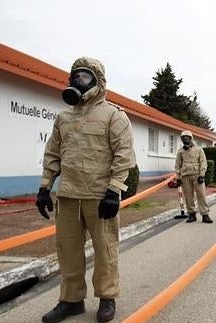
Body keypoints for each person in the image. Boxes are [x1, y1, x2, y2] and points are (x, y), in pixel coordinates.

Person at [35, 57, 136, 323]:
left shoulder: (113, 115)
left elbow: (124, 156)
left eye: (85, 77)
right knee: (68, 252)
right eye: (75, 76)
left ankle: (107, 298)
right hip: (68, 196)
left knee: (105, 251)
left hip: (99, 197)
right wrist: (44, 188)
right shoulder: (63, 117)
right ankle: (71, 301)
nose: (78, 82)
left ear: (98, 82)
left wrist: (114, 191)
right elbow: (53, 155)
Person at [174, 130, 212, 223]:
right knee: (188, 196)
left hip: (197, 175)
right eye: (183, 138)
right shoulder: (180, 151)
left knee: (201, 195)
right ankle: (191, 214)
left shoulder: (199, 149)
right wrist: (178, 177)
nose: (185, 139)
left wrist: (202, 175)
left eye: (187, 137)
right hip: (185, 176)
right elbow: (177, 165)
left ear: (191, 138)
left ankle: (205, 214)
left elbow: (203, 163)